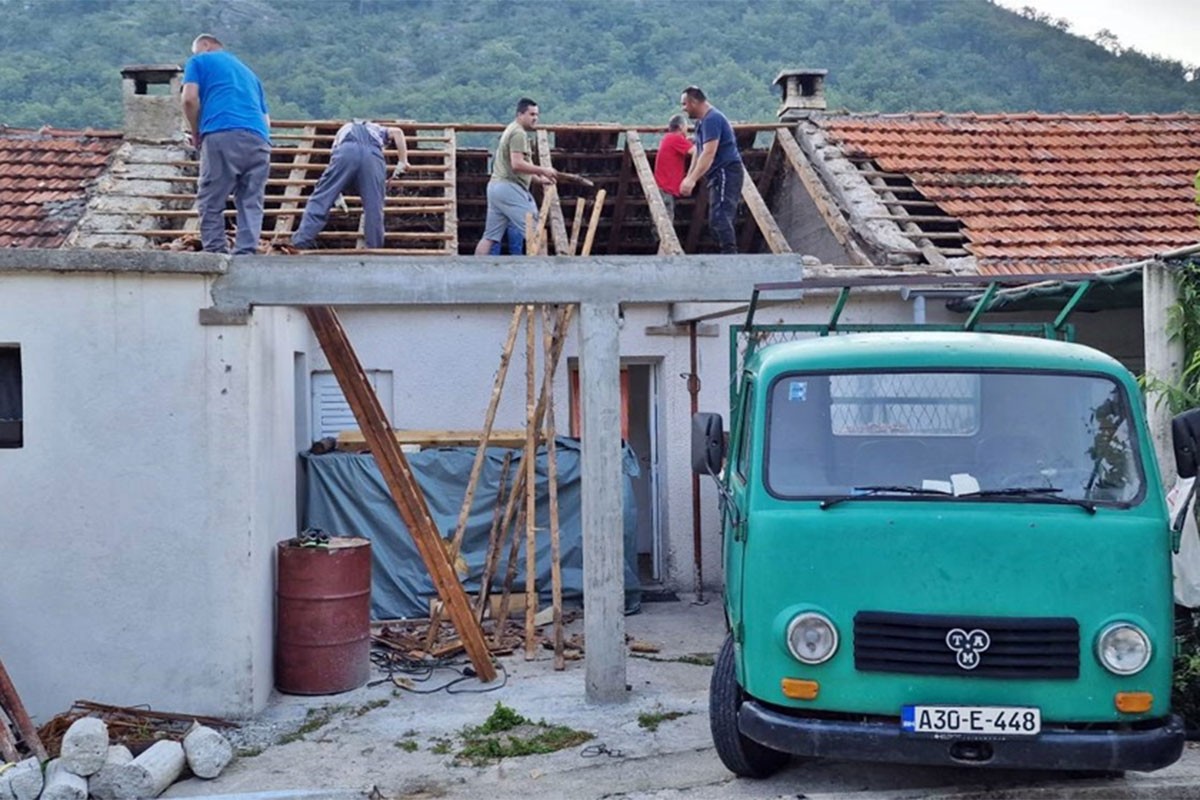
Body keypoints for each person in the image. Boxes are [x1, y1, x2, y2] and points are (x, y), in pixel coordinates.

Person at [181, 34, 272, 255]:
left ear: (205, 45)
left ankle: (215, 254)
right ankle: (246, 253)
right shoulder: (250, 74)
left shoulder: (199, 60)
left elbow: (189, 99)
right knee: (251, 201)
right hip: (259, 139)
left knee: (211, 199)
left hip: (221, 132)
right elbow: (266, 120)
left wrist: (196, 133)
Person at [291, 120, 409, 250]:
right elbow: (398, 132)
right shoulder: (377, 129)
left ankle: (302, 240)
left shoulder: (343, 131)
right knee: (374, 205)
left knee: (321, 197)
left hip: (345, 152)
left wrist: (336, 194)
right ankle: (374, 248)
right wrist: (403, 161)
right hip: (372, 157)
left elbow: (332, 172)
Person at [474, 98, 557, 256]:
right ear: (520, 114)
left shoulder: (510, 129)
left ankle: (475, 270)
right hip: (509, 188)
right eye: (531, 114)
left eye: (537, 114)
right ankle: (544, 273)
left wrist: (540, 179)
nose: (535, 118)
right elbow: (517, 164)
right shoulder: (518, 133)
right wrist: (544, 170)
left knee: (490, 236)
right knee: (535, 229)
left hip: (495, 188)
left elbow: (520, 169)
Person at [678, 86, 744, 254]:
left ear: (694, 102)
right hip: (717, 174)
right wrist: (689, 176)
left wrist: (692, 180)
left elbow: (709, 153)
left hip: (726, 171)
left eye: (684, 104)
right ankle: (726, 253)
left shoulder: (712, 119)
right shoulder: (701, 123)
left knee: (721, 217)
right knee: (715, 219)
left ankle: (730, 255)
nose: (683, 108)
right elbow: (698, 151)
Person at [653, 113, 695, 219]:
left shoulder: (668, 138)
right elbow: (696, 151)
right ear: (681, 127)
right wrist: (691, 177)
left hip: (663, 188)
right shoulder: (676, 139)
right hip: (666, 189)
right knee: (666, 223)